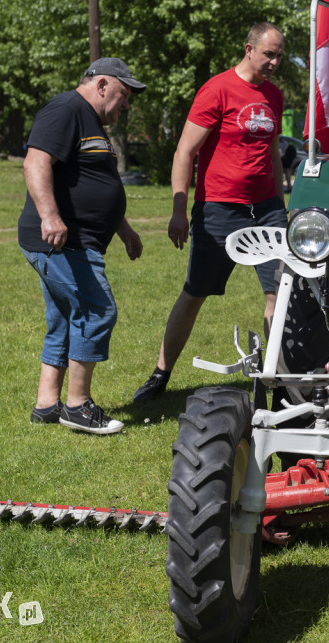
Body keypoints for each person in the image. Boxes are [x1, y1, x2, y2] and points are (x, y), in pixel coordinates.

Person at [133, 22, 287, 403]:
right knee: (195, 292)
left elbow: (271, 152)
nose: (275, 62)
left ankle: (279, 376)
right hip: (220, 208)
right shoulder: (216, 89)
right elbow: (184, 152)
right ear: (248, 49)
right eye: (269, 53)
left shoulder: (275, 96)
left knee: (279, 294)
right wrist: (178, 210)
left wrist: (282, 202)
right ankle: (160, 374)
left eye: (280, 55)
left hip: (267, 209)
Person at [18, 57, 145, 434]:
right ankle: (77, 406)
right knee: (96, 310)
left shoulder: (90, 122)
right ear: (102, 85)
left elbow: (90, 180)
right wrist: (50, 216)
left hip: (75, 239)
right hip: (61, 240)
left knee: (63, 318)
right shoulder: (67, 109)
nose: (127, 104)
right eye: (124, 94)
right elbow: (35, 162)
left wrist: (123, 230)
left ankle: (46, 404)